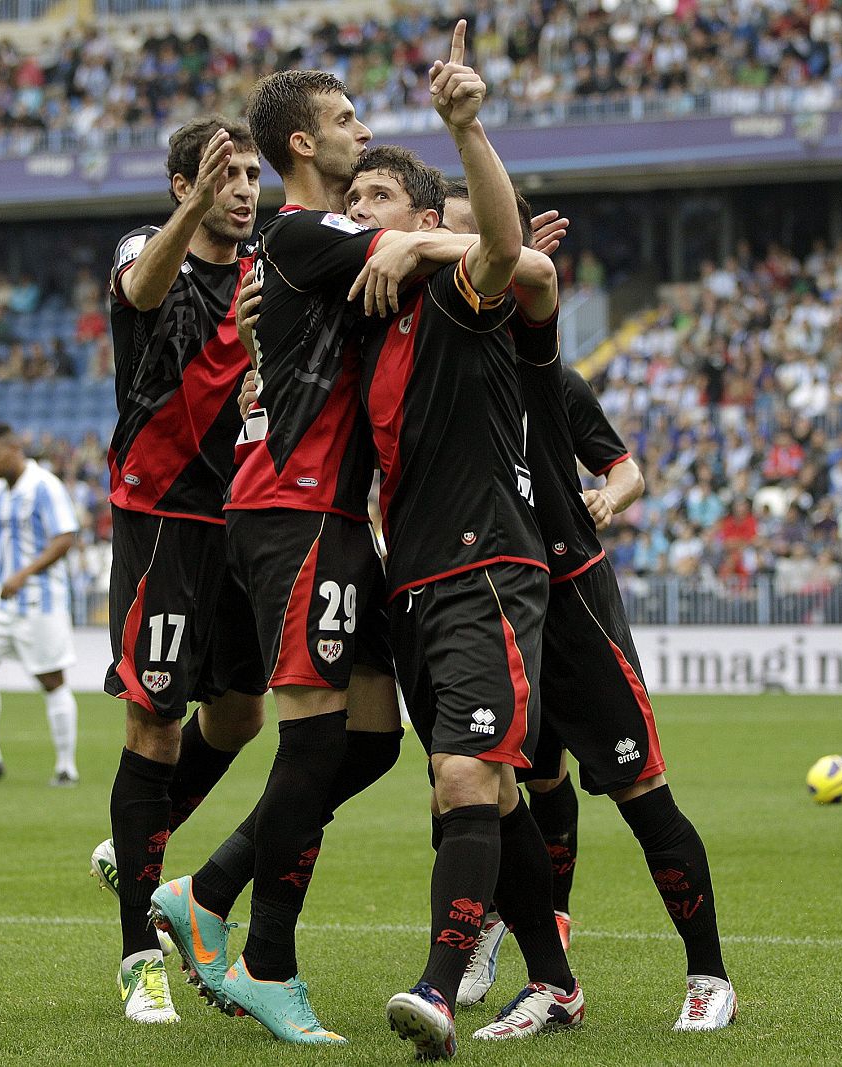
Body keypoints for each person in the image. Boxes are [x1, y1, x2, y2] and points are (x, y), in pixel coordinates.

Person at [379, 180, 735, 1031]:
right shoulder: (428, 356)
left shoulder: (540, 361)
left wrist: (611, 494)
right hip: (488, 594)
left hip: (569, 593)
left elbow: (622, 461)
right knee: (505, 787)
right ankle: (548, 971)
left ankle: (709, 972)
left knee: (641, 789)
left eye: (476, 241)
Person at [149, 69, 413, 1045]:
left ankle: (206, 885)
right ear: (302, 144)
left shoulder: (302, 253)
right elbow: (437, 249)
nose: (363, 131)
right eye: (347, 120)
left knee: (375, 736)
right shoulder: (304, 232)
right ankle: (269, 962)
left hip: (334, 511)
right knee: (309, 736)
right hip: (295, 510)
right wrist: (458, 237)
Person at [354, 28, 580, 1055]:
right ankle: (559, 984)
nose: (358, 218)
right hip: (415, 579)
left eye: (375, 204)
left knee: (464, 780)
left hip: (487, 562)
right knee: (477, 787)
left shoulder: (453, 299)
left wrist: (463, 126)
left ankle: (438, 988)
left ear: (421, 216)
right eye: (349, 202)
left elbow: (507, 253)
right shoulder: (371, 316)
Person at [95, 115, 269, 1026]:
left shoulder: (265, 268)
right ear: (181, 186)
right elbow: (141, 286)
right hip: (161, 518)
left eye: (249, 174)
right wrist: (192, 208)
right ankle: (137, 957)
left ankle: (137, 847)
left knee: (237, 715)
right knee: (153, 727)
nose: (244, 189)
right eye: (223, 175)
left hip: (242, 517)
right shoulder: (148, 250)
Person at [0, 423, 83, 785]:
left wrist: (24, 573)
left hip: (40, 599)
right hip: (1, 599)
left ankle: (66, 767)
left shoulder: (44, 485)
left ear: (14, 449)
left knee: (51, 679)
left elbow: (65, 537)